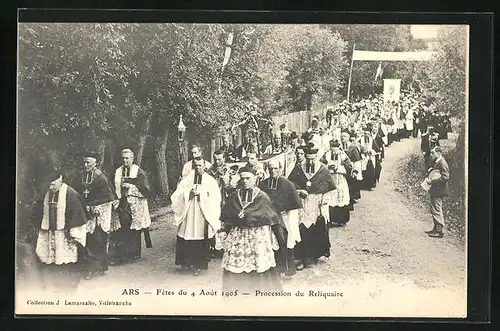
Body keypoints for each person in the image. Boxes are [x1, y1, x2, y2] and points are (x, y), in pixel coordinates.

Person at [219, 166, 283, 292]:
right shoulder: (235, 195)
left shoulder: (262, 197)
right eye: (242, 179)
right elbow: (227, 213)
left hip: (257, 234)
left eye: (248, 178)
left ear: (255, 179)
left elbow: (268, 216)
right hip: (239, 234)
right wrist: (232, 221)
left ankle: (260, 290)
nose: (245, 181)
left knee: (258, 262)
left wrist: (249, 216)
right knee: (237, 261)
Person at [34, 170, 89, 293]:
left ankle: (69, 288)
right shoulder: (48, 193)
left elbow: (77, 215)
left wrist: (74, 233)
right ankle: (56, 285)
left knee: (67, 262)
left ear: (60, 180)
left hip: (66, 234)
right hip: (52, 231)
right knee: (54, 260)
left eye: (53, 184)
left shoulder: (70, 194)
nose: (50, 187)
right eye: (49, 184)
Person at [287, 143, 336, 270]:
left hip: (317, 202)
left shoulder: (323, 169)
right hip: (302, 203)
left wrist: (324, 200)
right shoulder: (299, 167)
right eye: (308, 159)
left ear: (316, 157)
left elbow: (329, 187)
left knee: (316, 228)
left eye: (312, 159)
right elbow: (290, 183)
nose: (310, 161)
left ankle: (314, 255)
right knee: (302, 227)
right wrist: (298, 191)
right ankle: (303, 257)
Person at [171, 157, 222, 276]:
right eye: (196, 166)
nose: (198, 168)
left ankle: (198, 265)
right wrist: (188, 194)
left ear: (205, 166)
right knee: (186, 236)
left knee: (199, 238)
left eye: (200, 165)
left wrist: (202, 195)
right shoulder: (187, 180)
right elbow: (176, 195)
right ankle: (185, 264)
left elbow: (216, 199)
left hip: (202, 215)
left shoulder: (210, 181)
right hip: (188, 214)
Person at [71, 150, 116, 280]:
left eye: (88, 162)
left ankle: (97, 268)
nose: (86, 165)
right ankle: (86, 268)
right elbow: (75, 192)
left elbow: (108, 196)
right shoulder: (79, 176)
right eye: (84, 162)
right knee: (85, 239)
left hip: (97, 212)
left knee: (97, 239)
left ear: (95, 163)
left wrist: (94, 206)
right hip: (83, 212)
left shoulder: (100, 177)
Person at [259, 159, 303, 279]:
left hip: (283, 218)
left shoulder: (287, 183)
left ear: (280, 169)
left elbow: (295, 202)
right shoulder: (263, 183)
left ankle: (287, 269)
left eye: (276, 168)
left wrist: (285, 212)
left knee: (283, 241)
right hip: (268, 218)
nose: (273, 171)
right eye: (271, 169)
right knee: (269, 242)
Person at [110, 149, 152, 265]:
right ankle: (121, 254)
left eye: (127, 158)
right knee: (121, 227)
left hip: (134, 203)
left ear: (132, 159)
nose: (125, 160)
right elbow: (112, 187)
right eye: (123, 158)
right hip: (121, 203)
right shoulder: (117, 171)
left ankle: (134, 253)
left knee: (133, 228)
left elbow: (146, 190)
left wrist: (132, 187)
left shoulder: (139, 172)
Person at [321, 140, 353, 226]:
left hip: (340, 178)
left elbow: (349, 166)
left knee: (341, 197)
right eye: (332, 149)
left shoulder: (343, 155)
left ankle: (341, 219)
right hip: (330, 179)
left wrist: (338, 168)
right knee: (331, 197)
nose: (334, 151)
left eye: (336, 149)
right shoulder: (326, 155)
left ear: (339, 148)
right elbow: (321, 165)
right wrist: (328, 168)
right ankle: (331, 219)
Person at [424, 147, 450, 238]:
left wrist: (432, 181)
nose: (431, 155)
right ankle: (435, 228)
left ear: (439, 153)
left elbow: (445, 177)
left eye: (433, 153)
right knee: (434, 208)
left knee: (437, 209)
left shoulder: (442, 163)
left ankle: (439, 231)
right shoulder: (437, 161)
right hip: (436, 190)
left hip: (439, 190)